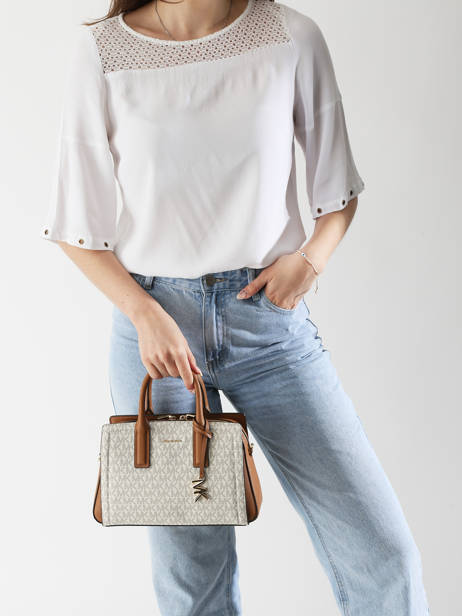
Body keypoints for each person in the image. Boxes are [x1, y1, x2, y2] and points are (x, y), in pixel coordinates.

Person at [41, 0, 430, 614]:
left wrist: (311, 261)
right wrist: (144, 314)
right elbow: (76, 227)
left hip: (269, 329)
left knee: (384, 555)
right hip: (157, 341)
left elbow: (338, 193)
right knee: (194, 580)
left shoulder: (290, 37)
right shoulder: (103, 53)